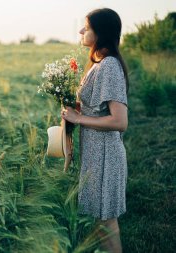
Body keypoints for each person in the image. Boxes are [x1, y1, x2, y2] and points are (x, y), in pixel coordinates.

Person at [61, 8, 129, 253]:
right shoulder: (99, 64)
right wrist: (75, 108)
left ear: (101, 33)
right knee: (100, 222)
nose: (81, 31)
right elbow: (96, 109)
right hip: (95, 153)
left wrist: (78, 119)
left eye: (86, 27)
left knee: (106, 222)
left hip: (104, 155)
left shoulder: (109, 66)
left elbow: (120, 121)